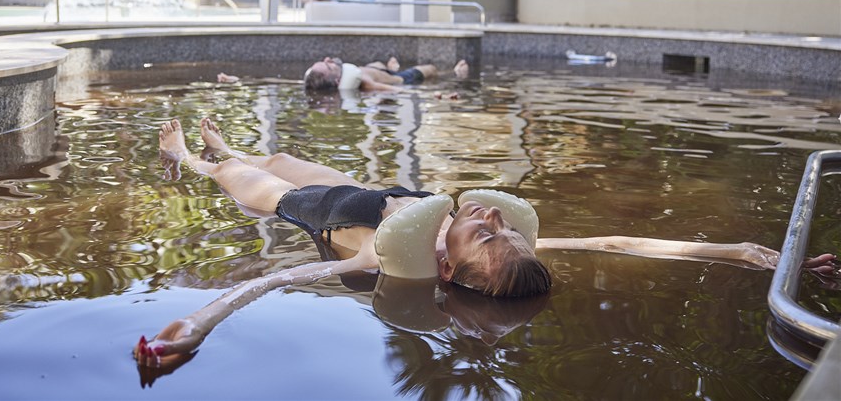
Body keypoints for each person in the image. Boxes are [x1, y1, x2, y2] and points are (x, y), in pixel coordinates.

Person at [133, 119, 839, 371]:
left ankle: (200, 157)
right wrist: (754, 253)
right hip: (363, 188)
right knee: (281, 152)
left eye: (483, 229)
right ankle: (229, 141)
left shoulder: (384, 257)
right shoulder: (460, 234)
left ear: (446, 265)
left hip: (313, 213)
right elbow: (614, 238)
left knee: (248, 178)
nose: (489, 216)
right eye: (496, 225)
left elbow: (276, 282)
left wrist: (196, 324)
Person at [304, 56, 470, 92]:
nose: (328, 59)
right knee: (431, 69)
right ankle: (455, 72)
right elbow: (396, 90)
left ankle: (391, 66)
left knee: (375, 64)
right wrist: (430, 93)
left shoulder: (349, 73)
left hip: (375, 69)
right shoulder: (365, 81)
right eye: (328, 65)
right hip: (401, 78)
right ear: (338, 80)